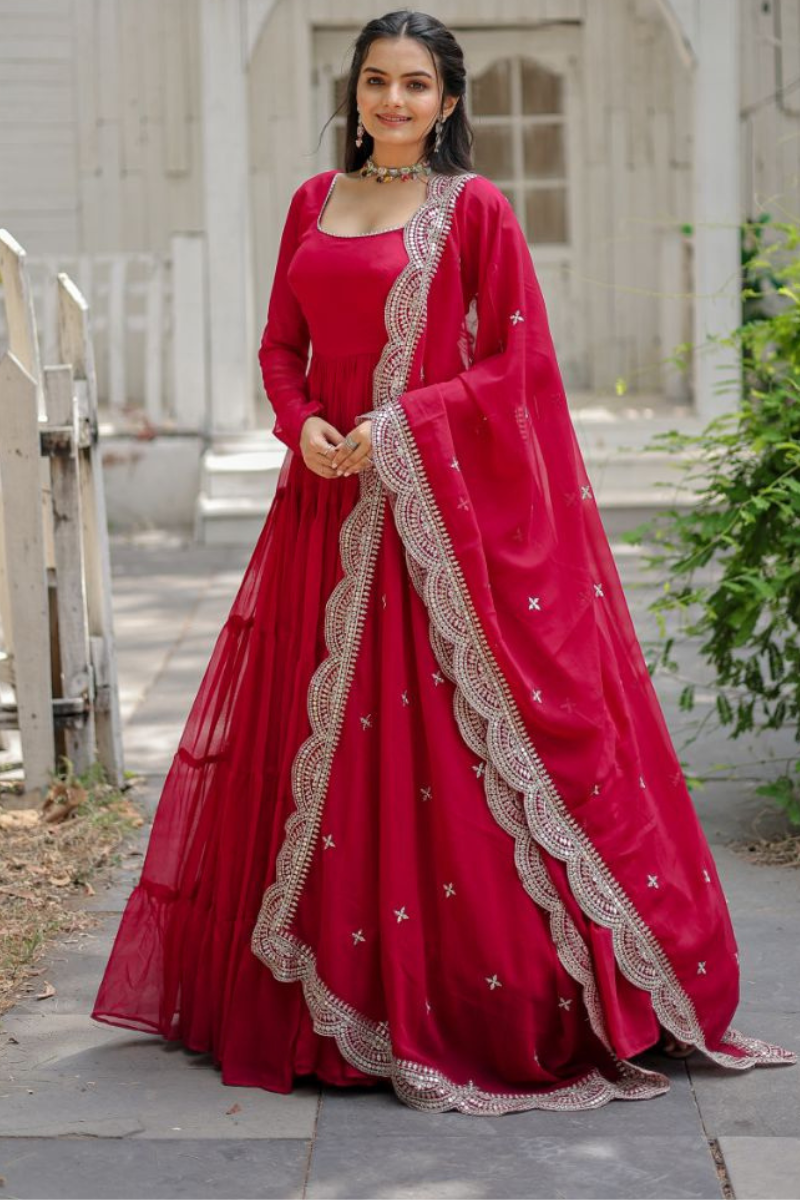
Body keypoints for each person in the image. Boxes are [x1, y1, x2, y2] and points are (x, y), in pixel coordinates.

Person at [91, 9, 795, 1116]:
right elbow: (282, 347)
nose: (393, 103)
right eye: (376, 83)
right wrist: (298, 426)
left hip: (437, 528)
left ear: (448, 101)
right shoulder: (310, 205)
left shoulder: (474, 211)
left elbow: (521, 361)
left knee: (446, 758)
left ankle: (476, 994)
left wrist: (403, 423)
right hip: (324, 521)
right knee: (313, 760)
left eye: (416, 85)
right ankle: (322, 1003)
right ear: (355, 92)